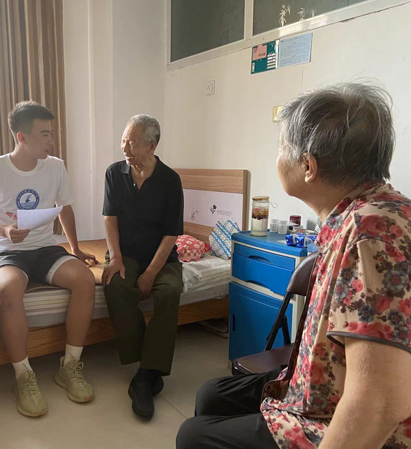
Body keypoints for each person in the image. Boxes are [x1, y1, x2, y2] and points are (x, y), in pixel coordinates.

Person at [177, 83, 411, 448]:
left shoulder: (372, 233)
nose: (277, 156)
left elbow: (379, 404)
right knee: (211, 394)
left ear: (307, 166)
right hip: (318, 385)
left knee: (193, 436)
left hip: (334, 418)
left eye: (281, 147)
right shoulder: (364, 214)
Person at [0, 101, 96, 418]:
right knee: (10, 287)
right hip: (5, 250)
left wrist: (75, 248)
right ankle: (23, 376)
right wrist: (3, 230)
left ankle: (70, 366)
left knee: (84, 279)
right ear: (22, 137)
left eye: (52, 133)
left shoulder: (55, 166)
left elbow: (65, 208)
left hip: (44, 248)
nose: (51, 141)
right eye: (44, 134)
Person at [102, 114, 184, 420]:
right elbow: (110, 219)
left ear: (152, 146)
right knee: (115, 284)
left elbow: (171, 234)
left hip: (161, 257)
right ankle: (148, 365)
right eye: (124, 140)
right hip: (125, 254)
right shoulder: (115, 173)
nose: (125, 147)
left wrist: (151, 273)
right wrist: (115, 258)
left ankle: (146, 374)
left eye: (133, 142)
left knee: (169, 290)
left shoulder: (170, 180)